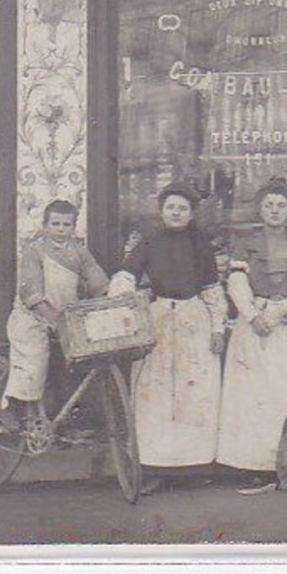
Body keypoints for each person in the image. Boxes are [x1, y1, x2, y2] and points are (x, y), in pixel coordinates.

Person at [108, 185, 228, 487]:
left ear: (191, 214)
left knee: (193, 392)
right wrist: (121, 303)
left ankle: (194, 467)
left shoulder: (200, 243)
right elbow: (126, 275)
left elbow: (212, 288)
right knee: (156, 395)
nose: (176, 213)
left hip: (193, 321)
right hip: (158, 320)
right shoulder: (150, 240)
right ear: (162, 210)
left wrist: (216, 328)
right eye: (171, 207)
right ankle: (154, 468)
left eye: (183, 208)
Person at [215, 179, 287, 484]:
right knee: (255, 394)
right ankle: (255, 465)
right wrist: (251, 314)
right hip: (257, 324)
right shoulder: (245, 243)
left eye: (281, 206)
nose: (275, 211)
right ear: (260, 209)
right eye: (269, 206)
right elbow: (236, 284)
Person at [1, 199, 110, 427]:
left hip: (63, 319)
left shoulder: (80, 253)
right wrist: (49, 317)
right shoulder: (35, 251)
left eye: (66, 224)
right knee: (34, 357)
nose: (61, 229)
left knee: (75, 362)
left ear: (74, 227)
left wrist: (107, 296)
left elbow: (96, 280)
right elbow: (31, 291)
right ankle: (15, 407)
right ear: (45, 225)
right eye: (55, 224)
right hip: (31, 317)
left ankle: (64, 420)